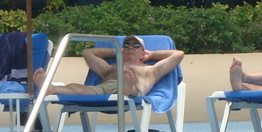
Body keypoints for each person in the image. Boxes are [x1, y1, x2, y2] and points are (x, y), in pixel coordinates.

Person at [33, 35, 184, 97]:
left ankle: (126, 87)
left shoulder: (151, 70)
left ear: (142, 52)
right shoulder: (109, 68)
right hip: (104, 89)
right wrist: (115, 51)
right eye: (127, 45)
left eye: (135, 45)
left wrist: (151, 56)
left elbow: (178, 54)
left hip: (134, 88)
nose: (130, 47)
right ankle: (51, 89)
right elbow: (87, 53)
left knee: (128, 83)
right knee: (77, 87)